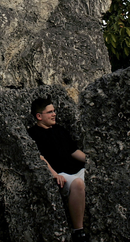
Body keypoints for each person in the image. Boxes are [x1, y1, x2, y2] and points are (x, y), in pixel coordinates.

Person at [27, 98, 89, 242]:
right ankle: (78, 232)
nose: (54, 114)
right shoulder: (33, 134)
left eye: (54, 111)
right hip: (62, 174)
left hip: (76, 169)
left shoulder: (59, 129)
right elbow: (40, 158)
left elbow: (74, 151)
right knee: (78, 184)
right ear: (39, 116)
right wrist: (54, 175)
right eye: (50, 112)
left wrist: (93, 161)